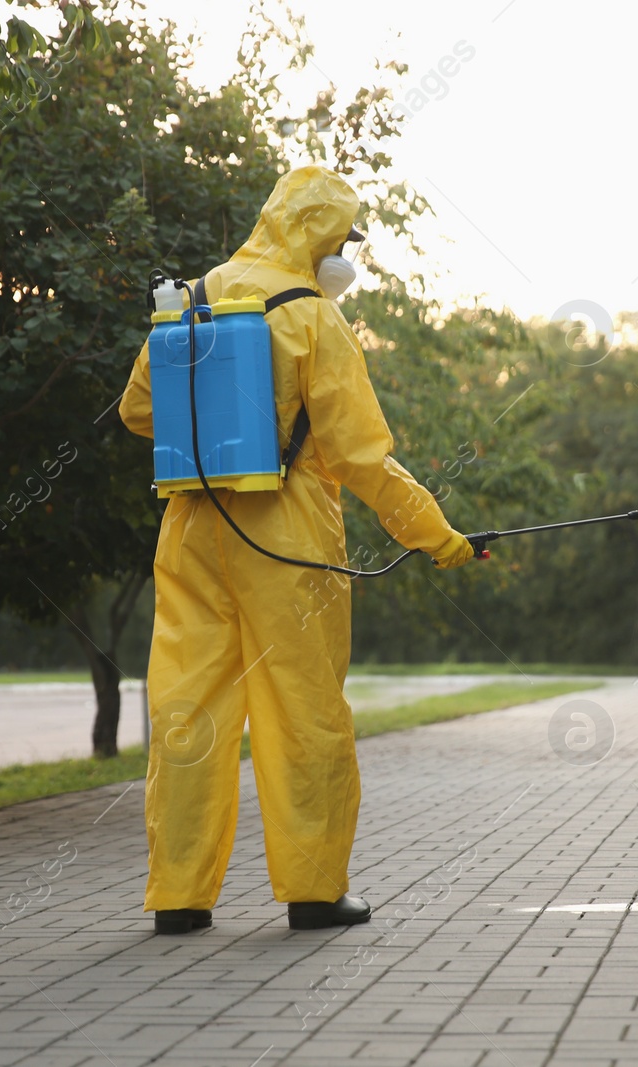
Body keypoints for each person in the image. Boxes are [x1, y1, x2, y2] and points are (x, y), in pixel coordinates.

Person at [118, 166, 475, 935]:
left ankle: (178, 899)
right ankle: (313, 892)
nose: (346, 255)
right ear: (318, 234)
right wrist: (435, 534)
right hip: (288, 542)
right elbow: (362, 458)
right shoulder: (316, 319)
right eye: (345, 240)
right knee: (303, 712)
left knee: (188, 713)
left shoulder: (198, 296)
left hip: (190, 529)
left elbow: (139, 409)